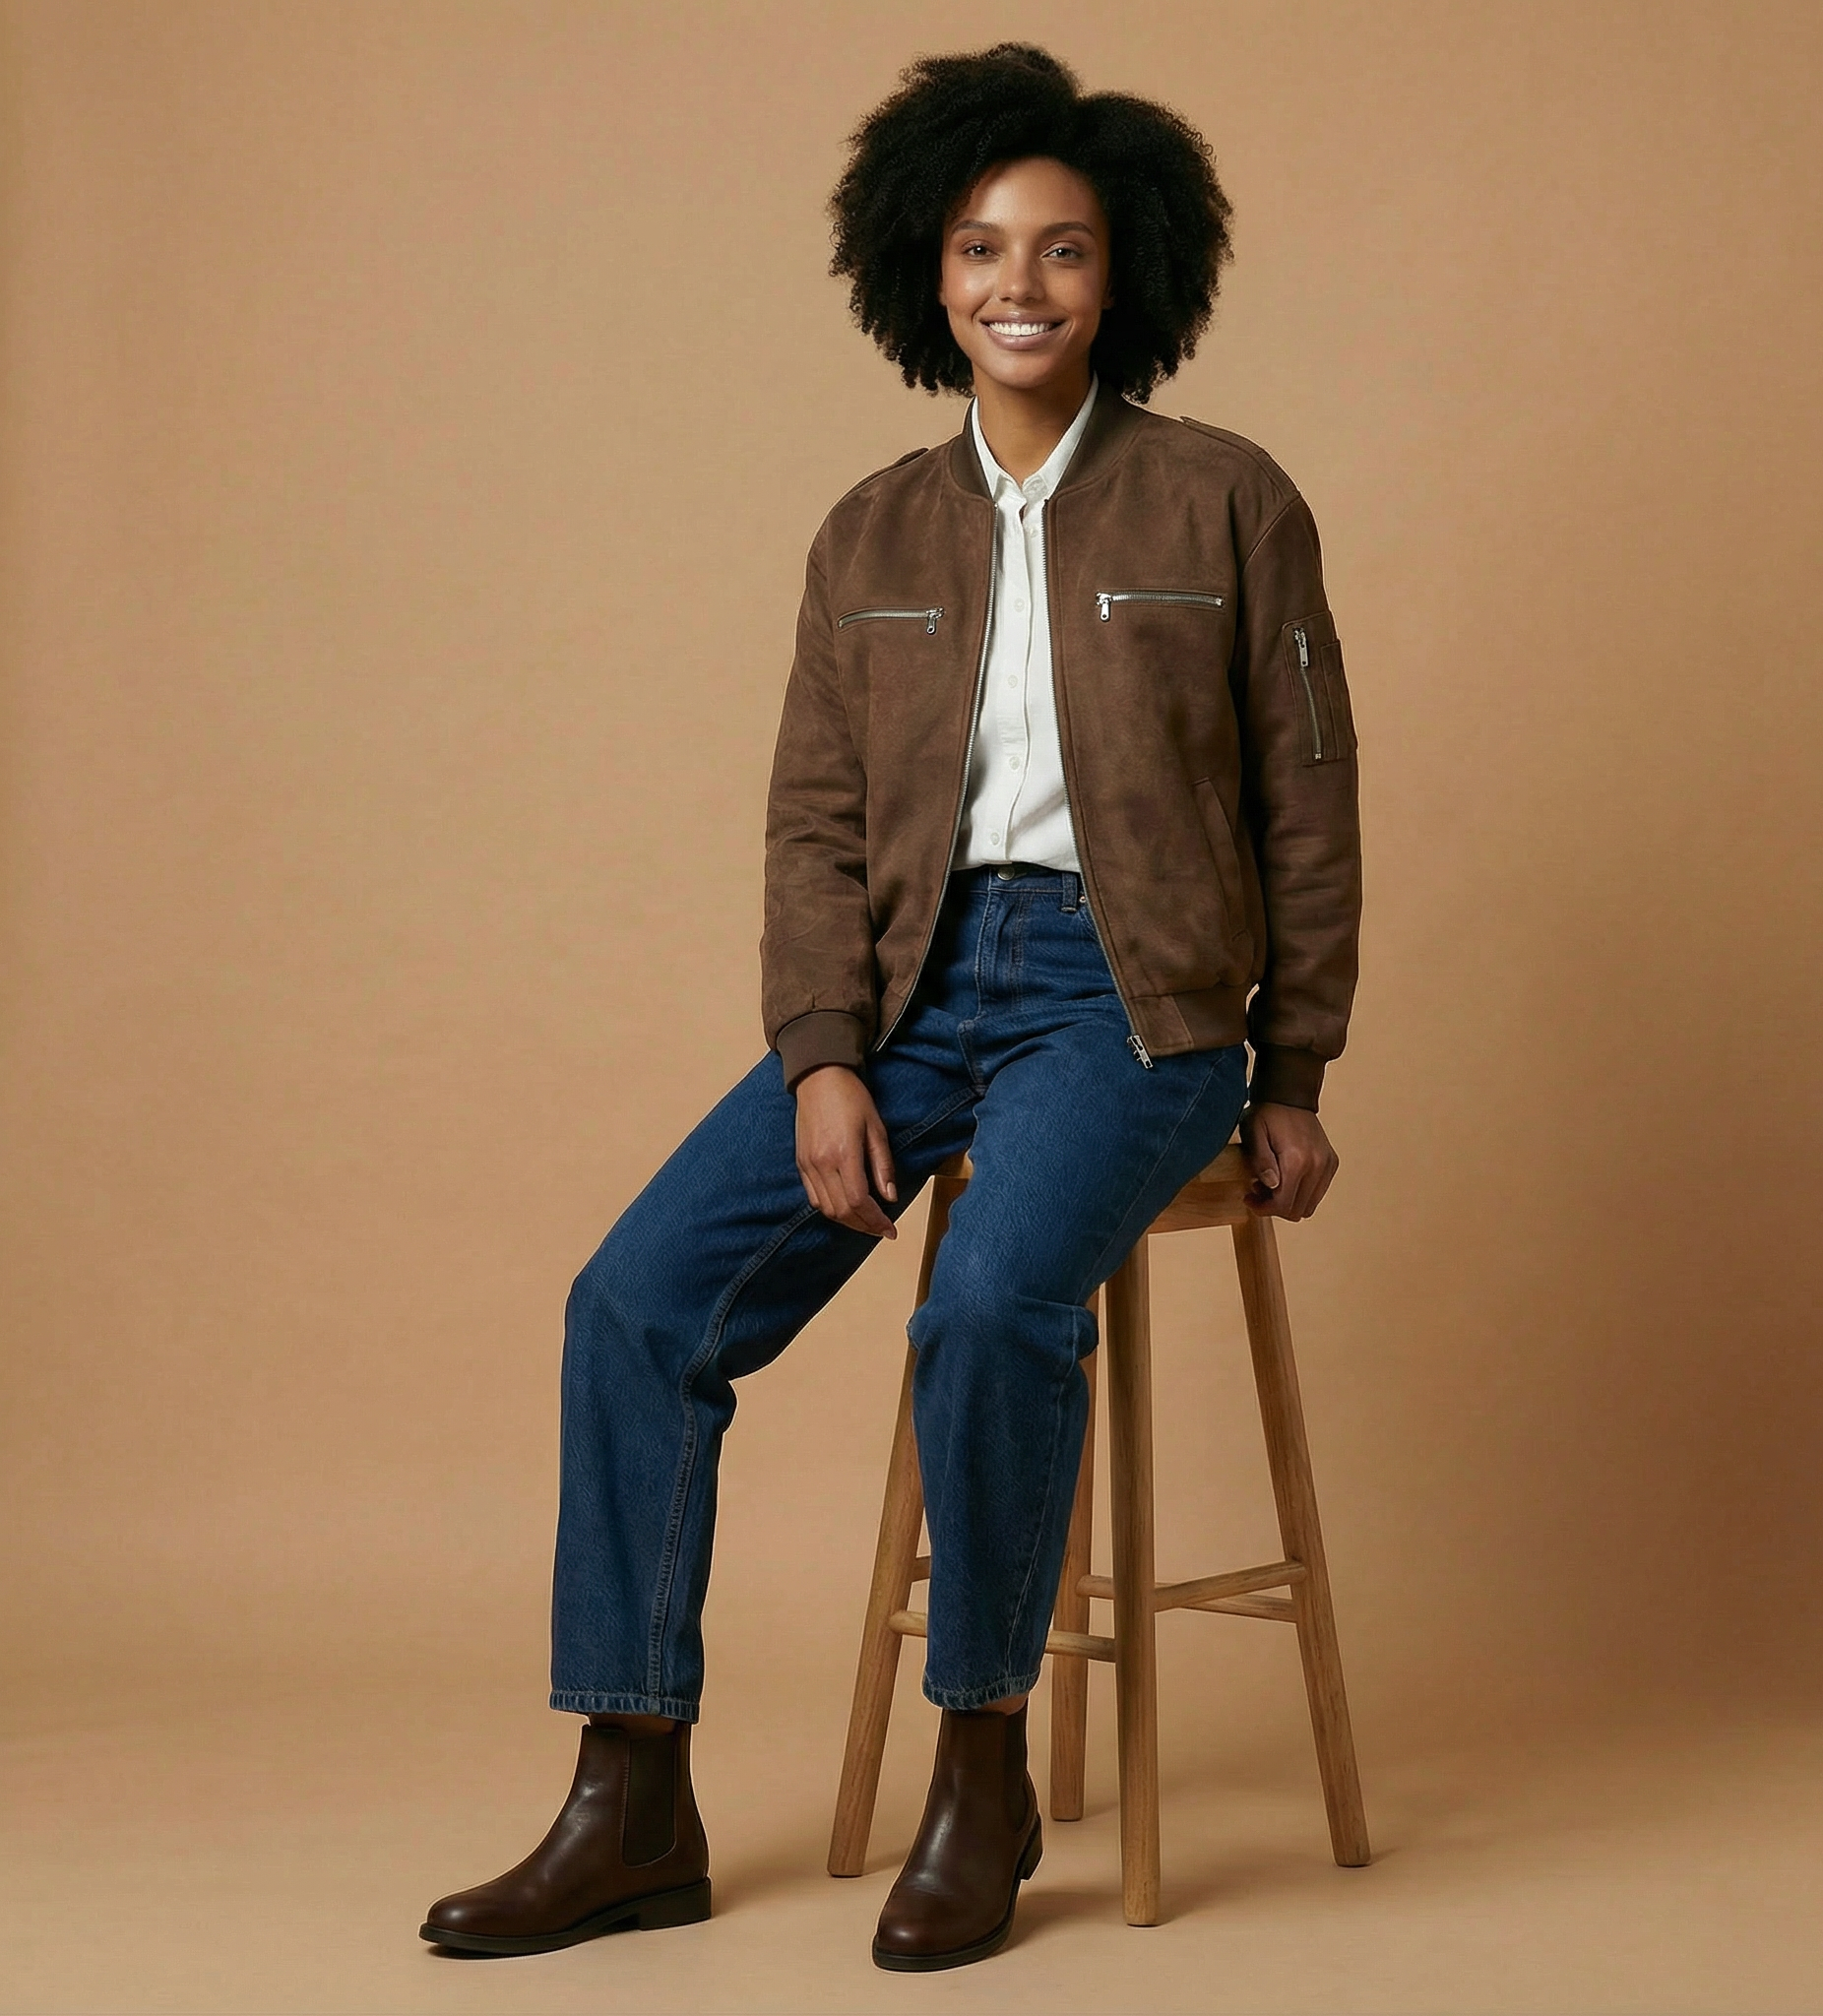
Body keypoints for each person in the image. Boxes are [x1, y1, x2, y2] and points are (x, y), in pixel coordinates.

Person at [420, 39, 1360, 1974]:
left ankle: (983, 1763)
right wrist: (825, 1053)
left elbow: (1307, 795)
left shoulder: (1222, 502)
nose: (1018, 284)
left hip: (1139, 995)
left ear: (1127, 276)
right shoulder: (867, 537)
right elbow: (815, 822)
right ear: (922, 273)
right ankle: (632, 1788)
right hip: (915, 985)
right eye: (979, 247)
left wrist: (1292, 1068)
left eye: (1063, 250)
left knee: (992, 1298)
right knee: (634, 1301)